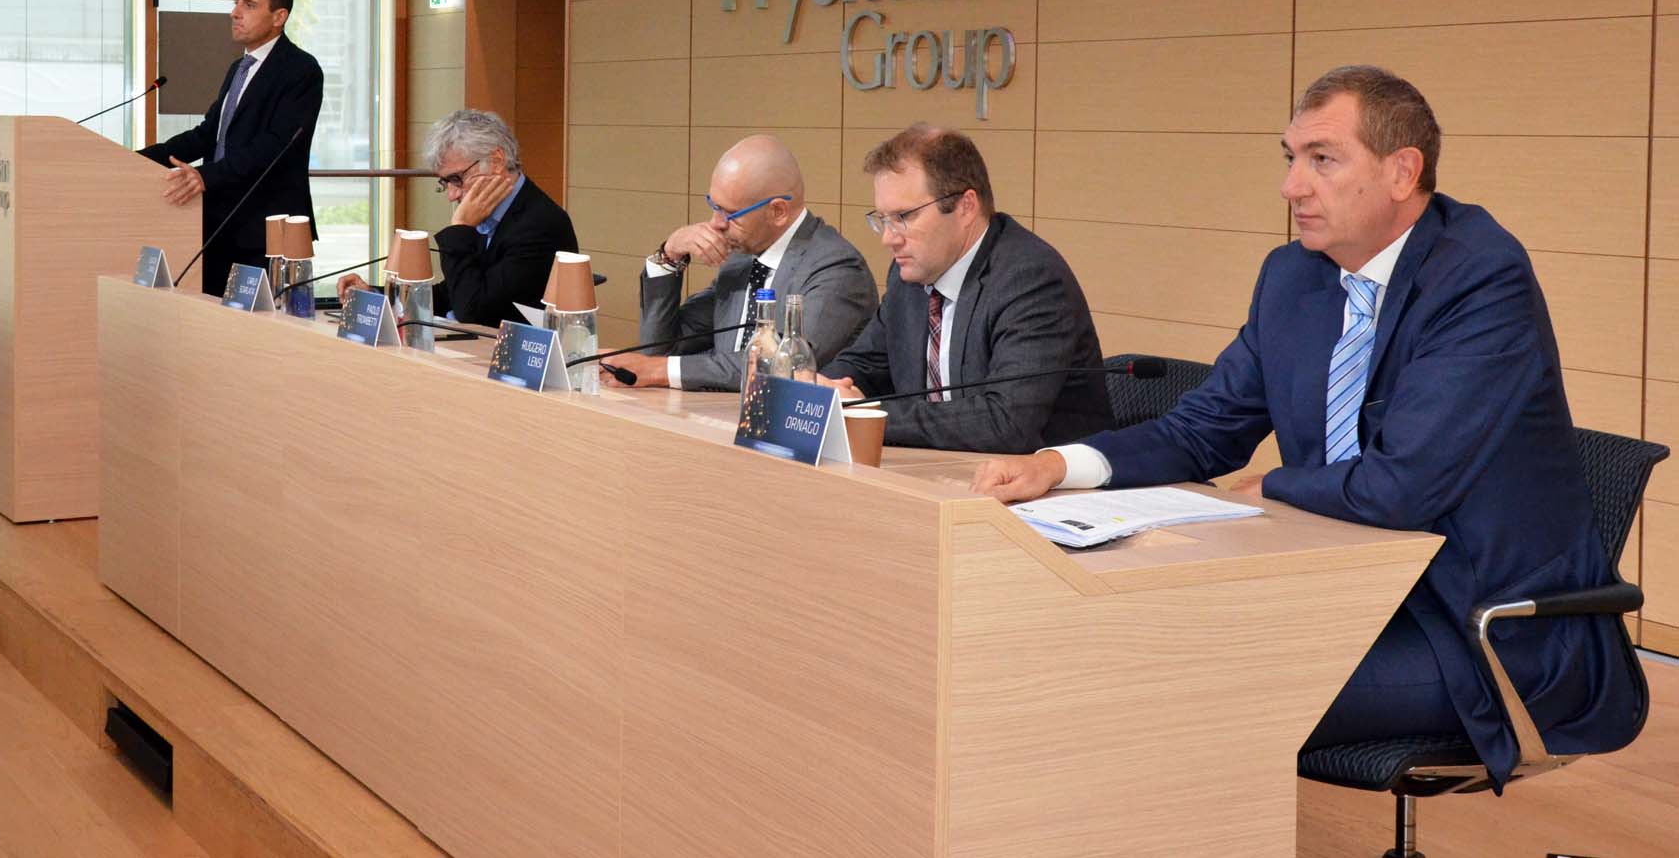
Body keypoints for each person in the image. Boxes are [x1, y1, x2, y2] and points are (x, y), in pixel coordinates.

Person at [969, 66, 1647, 783]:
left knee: (1187, 693)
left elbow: (1401, 487)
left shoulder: (1480, 278)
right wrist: (1059, 464)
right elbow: (1203, 428)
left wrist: (1274, 485)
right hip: (1334, 587)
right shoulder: (1293, 276)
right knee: (1115, 648)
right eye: (1290, 158)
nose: (1291, 185)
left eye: (1322, 159)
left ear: (1401, 172)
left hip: (1473, 626)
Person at [816, 124, 1112, 451]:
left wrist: (867, 414)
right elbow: (865, 365)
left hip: (1036, 476)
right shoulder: (909, 276)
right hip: (938, 468)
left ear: (965, 206)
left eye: (903, 217)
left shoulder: (1029, 279)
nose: (889, 238)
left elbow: (1005, 421)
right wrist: (823, 390)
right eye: (883, 219)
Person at [601, 135, 876, 390]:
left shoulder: (837, 269)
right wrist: (669, 256)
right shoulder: (742, 261)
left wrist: (661, 370)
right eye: (714, 206)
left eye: (729, 213)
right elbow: (659, 350)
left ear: (778, 211)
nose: (715, 223)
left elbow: (782, 365)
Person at [140, 0, 321, 295]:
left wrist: (206, 176)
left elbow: (276, 146)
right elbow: (207, 135)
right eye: (235, 2)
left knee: (257, 323)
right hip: (219, 224)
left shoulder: (300, 70)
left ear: (279, 16)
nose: (235, 12)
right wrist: (137, 159)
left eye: (249, 5)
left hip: (266, 230)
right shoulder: (238, 68)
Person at [344, 109, 576, 325]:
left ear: (496, 161)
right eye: (445, 183)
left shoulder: (540, 224)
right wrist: (373, 296)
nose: (452, 195)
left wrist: (460, 228)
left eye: (457, 179)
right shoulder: (488, 213)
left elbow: (472, 312)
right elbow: (450, 294)